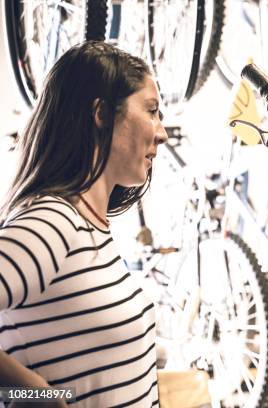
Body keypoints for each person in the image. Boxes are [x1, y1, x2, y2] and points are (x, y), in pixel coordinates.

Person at [0, 41, 168, 407]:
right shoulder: (50, 223)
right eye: (152, 111)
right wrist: (32, 391)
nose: (162, 132)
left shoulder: (89, 226)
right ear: (101, 114)